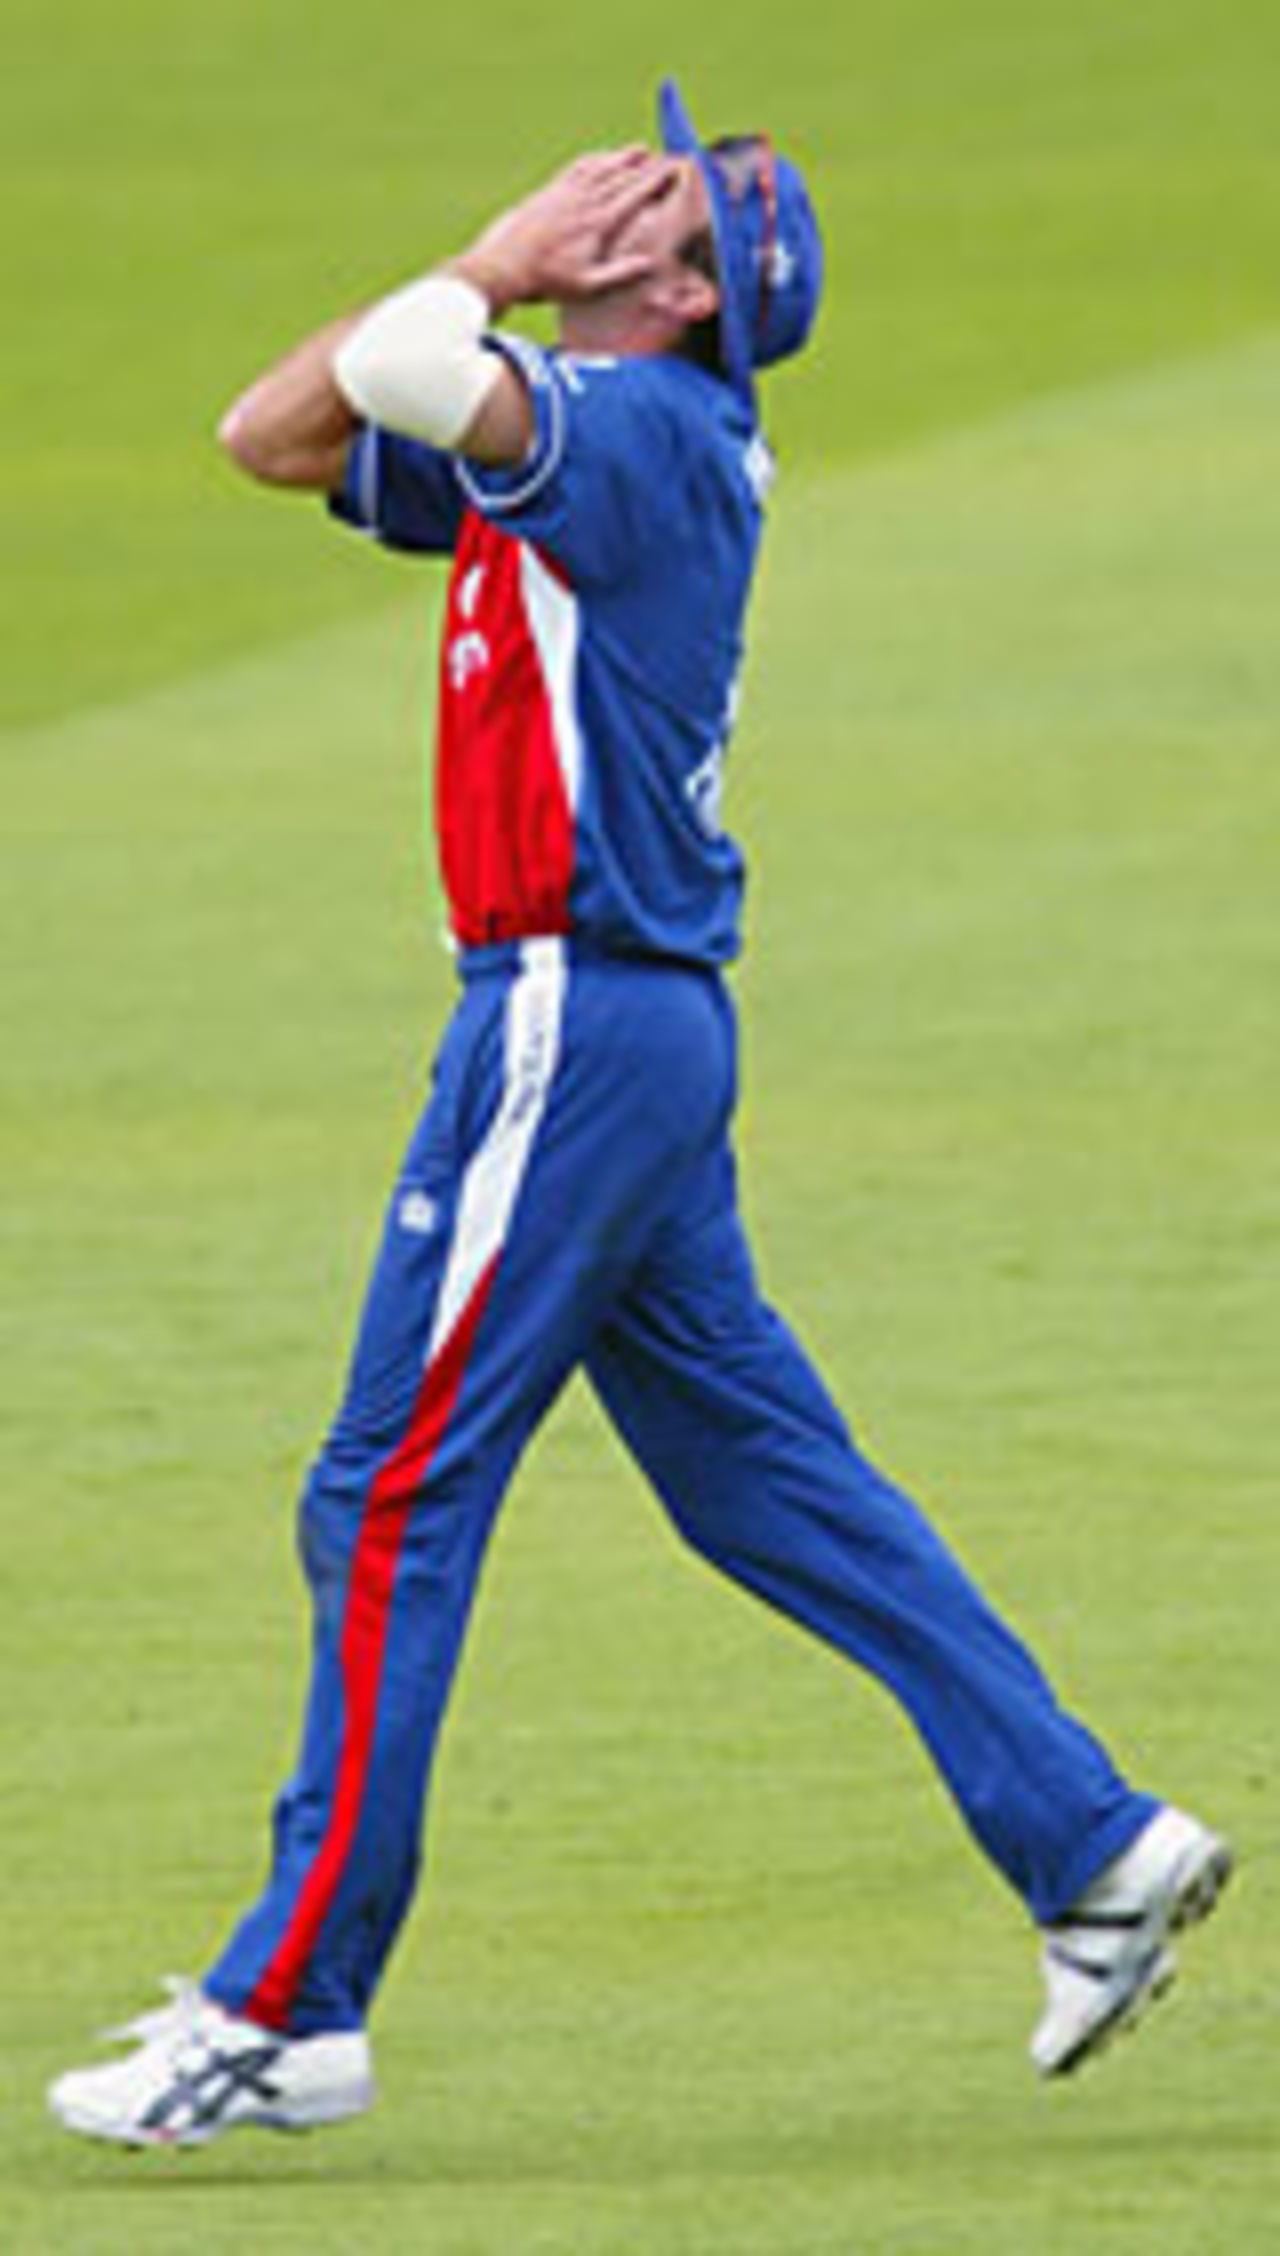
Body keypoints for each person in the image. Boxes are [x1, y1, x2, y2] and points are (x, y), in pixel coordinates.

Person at [50, 80, 1230, 2151]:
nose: (613, 180)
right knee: (757, 1479)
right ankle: (1094, 1844)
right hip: (632, 1038)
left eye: (655, 195)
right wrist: (498, 286)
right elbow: (282, 432)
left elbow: (419, 360)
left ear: (683, 292)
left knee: (387, 1497)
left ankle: (287, 2007)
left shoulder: (640, 437)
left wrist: (498, 255)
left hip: (568, 1026)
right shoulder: (577, 442)